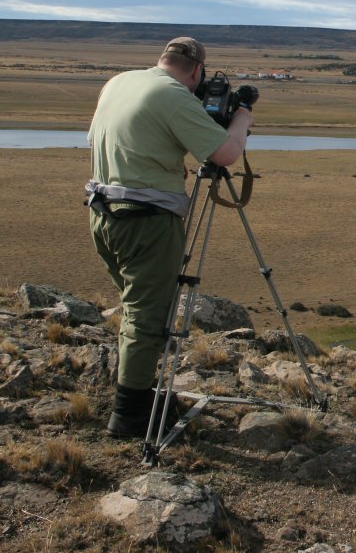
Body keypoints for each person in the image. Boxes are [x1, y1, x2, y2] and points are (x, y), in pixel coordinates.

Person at [85, 36, 253, 437]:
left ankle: (140, 393)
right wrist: (242, 114)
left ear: (162, 59)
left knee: (136, 307)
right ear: (197, 71)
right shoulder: (173, 95)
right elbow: (226, 154)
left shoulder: (120, 82)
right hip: (146, 221)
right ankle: (130, 415)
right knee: (149, 318)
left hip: (103, 212)